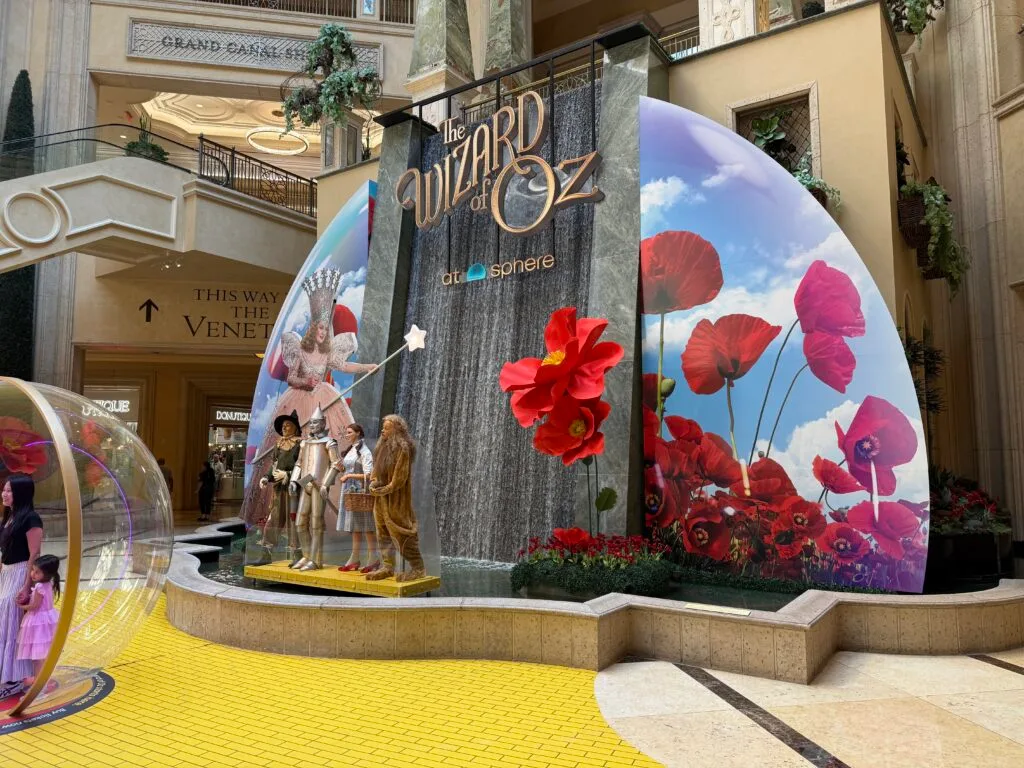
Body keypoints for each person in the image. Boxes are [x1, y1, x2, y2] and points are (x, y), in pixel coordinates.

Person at [241, 267, 376, 527]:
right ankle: (275, 512)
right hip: (298, 400)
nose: (323, 333)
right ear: (313, 329)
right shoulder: (300, 351)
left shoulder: (328, 354)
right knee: (286, 445)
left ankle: (328, 514)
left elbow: (344, 367)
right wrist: (306, 381)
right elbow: (291, 378)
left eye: (327, 329)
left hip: (324, 400)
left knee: (331, 446)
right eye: (320, 328)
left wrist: (366, 367)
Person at [365, 415, 425, 584]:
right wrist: (374, 483)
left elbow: (399, 478)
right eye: (383, 427)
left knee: (401, 532)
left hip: (396, 500)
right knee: (382, 532)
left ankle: (418, 568)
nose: (382, 430)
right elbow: (376, 473)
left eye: (387, 427)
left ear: (397, 430)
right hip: (381, 499)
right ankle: (387, 566)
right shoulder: (382, 447)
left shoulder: (403, 448)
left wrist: (384, 489)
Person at [0, 473, 43, 697]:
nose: (4, 494)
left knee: (11, 627)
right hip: (6, 574)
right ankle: (6, 675)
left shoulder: (31, 518)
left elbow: (34, 554)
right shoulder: (9, 517)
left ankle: (14, 679)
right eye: (4, 490)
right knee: (3, 625)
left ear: (21, 493)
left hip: (20, 573)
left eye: (9, 490)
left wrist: (27, 586)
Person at [289, 405, 340, 571]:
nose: (312, 426)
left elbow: (336, 464)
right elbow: (299, 463)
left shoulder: (330, 442)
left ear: (323, 423)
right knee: (300, 522)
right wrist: (293, 480)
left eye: (316, 423)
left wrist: (326, 483)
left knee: (316, 522)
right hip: (305, 484)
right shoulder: (305, 443)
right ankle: (306, 555)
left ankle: (316, 560)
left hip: (319, 486)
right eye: (311, 423)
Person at [254, 410, 302, 566]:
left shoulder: (301, 444)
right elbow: (274, 465)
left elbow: (303, 466)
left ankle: (297, 555)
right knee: (273, 519)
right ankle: (266, 553)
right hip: (278, 489)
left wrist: (288, 475)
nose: (284, 428)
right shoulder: (279, 444)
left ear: (295, 427)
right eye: (283, 426)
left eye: (288, 425)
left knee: (293, 520)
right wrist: (266, 477)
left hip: (293, 489)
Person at [333, 424, 379, 574]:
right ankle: (355, 558)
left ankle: (373, 558)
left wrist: (349, 475)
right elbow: (348, 468)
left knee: (366, 527)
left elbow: (370, 475)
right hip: (350, 491)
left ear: (358, 433)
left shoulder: (365, 451)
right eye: (346, 432)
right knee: (355, 527)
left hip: (360, 493)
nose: (347, 435)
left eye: (349, 432)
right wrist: (342, 469)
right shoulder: (352, 449)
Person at [16, 553, 60, 688]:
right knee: (43, 654)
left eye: (37, 572)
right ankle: (44, 679)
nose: (33, 574)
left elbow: (34, 606)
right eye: (33, 570)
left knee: (36, 657)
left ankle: (39, 683)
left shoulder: (40, 587)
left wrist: (21, 606)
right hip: (47, 620)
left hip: (37, 621)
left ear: (47, 574)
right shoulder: (49, 583)